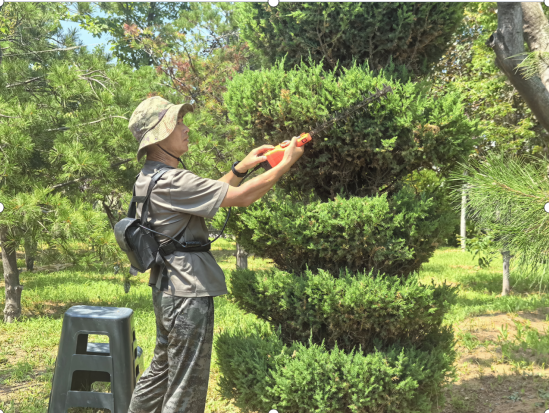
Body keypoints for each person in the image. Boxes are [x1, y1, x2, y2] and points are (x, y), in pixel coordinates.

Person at [126, 96, 304, 413]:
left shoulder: (151, 177)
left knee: (161, 372)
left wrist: (240, 168)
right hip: (186, 294)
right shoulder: (174, 180)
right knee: (186, 386)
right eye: (177, 123)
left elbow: (211, 194)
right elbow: (241, 197)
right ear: (160, 136)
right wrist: (285, 164)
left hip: (168, 288)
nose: (185, 128)